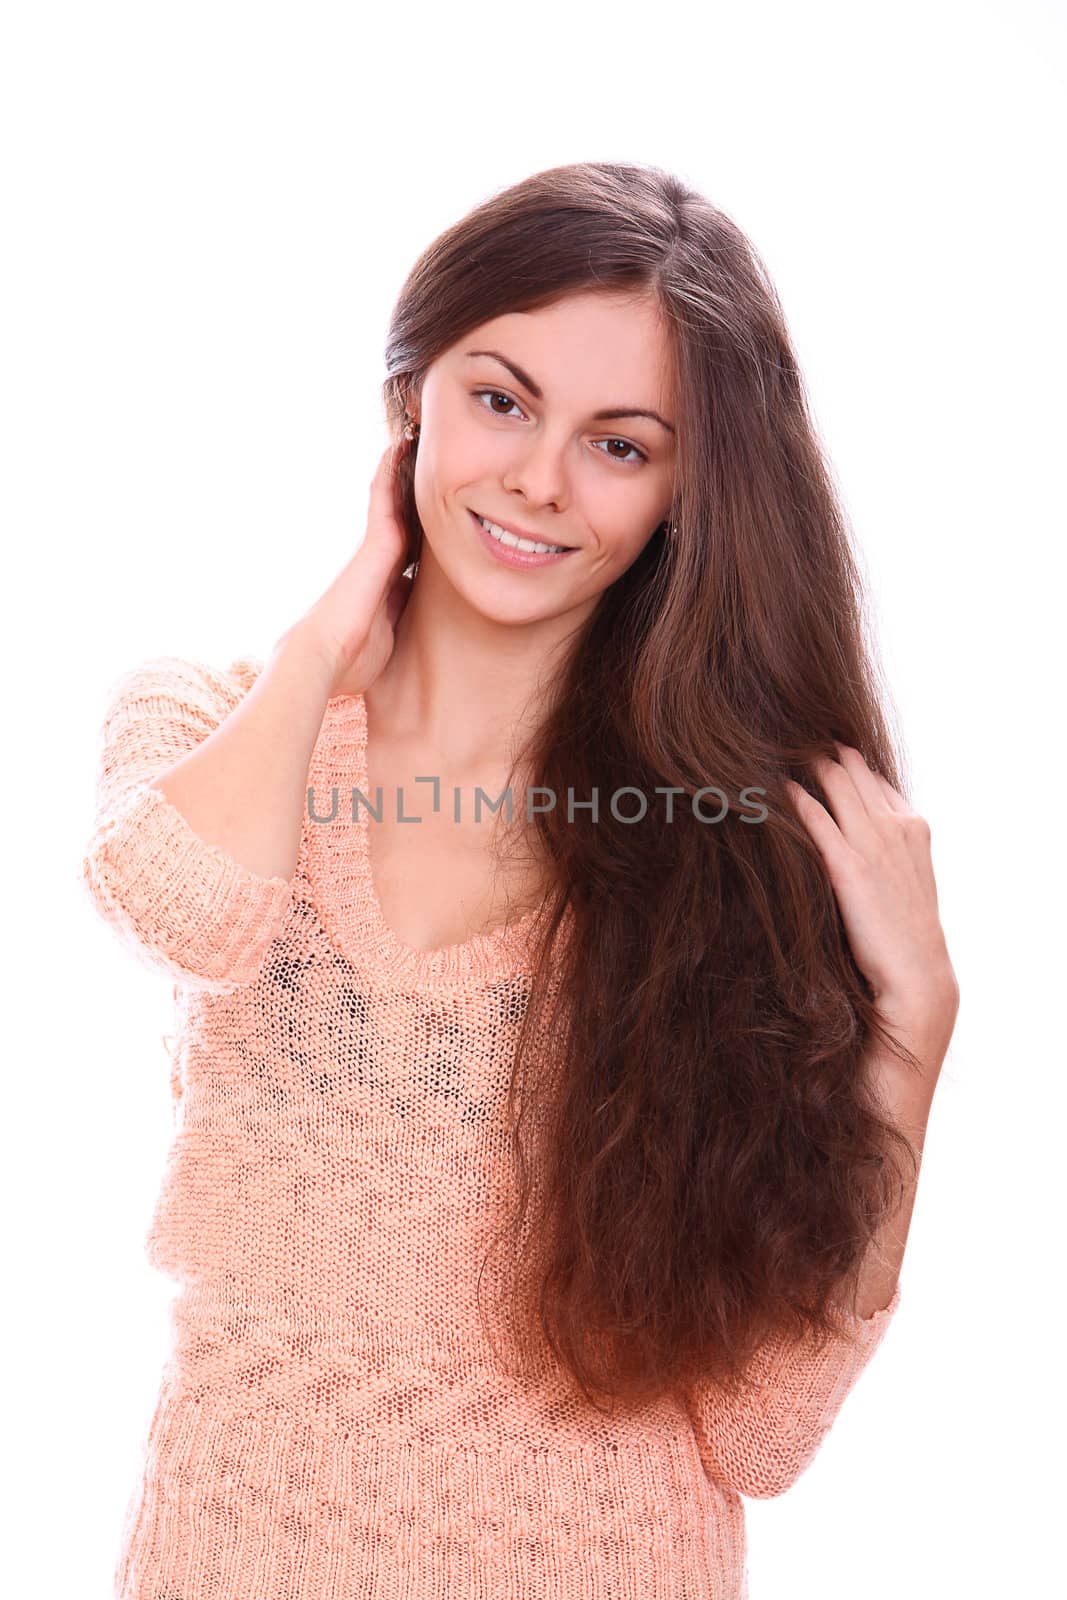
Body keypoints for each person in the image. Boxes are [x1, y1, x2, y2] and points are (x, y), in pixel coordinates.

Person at [81, 160, 959, 1600]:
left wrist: (914, 1028)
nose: (540, 480)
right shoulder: (211, 720)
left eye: (622, 445)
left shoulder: (736, 857)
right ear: (411, 396)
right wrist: (326, 646)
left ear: (687, 494)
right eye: (502, 400)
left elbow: (759, 1431)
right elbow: (186, 909)